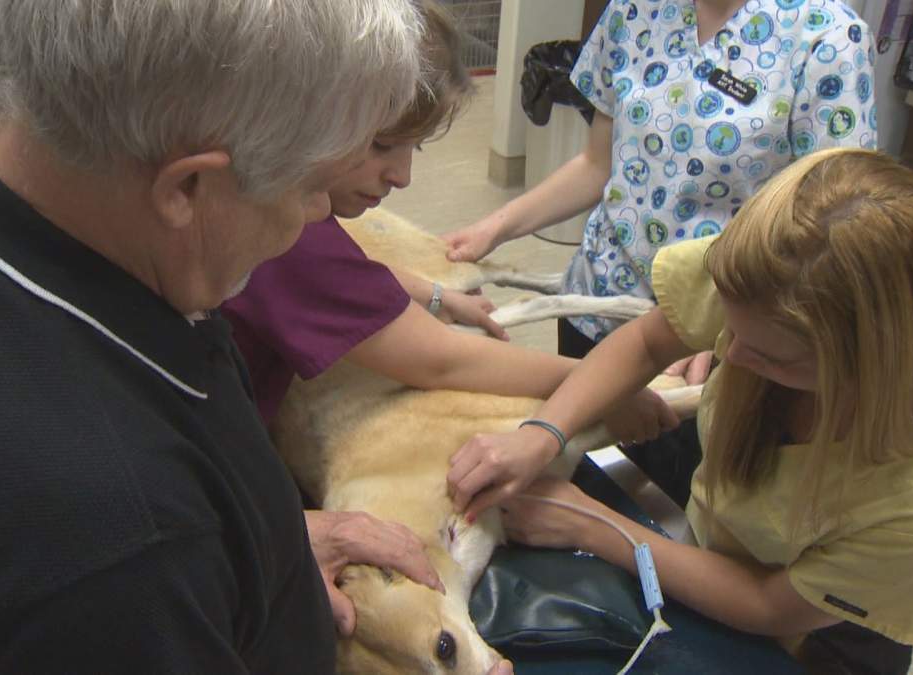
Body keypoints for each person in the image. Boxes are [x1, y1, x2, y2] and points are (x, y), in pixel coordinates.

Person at [0, 1, 423, 672]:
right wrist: (189, 559)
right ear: (187, 187)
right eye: (310, 185)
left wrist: (254, 540)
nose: (314, 214)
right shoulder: (119, 554)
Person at [447, 148, 913, 674]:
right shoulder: (771, 276)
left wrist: (595, 527)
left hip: (810, 644)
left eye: (769, 355)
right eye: (730, 329)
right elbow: (647, 343)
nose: (728, 356)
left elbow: (768, 607)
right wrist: (543, 432)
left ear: (865, 362)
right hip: (714, 555)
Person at [220, 0, 676, 644]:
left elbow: (342, 268)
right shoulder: (282, 231)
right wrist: (602, 384)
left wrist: (432, 292)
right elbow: (440, 359)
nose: (402, 176)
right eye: (381, 145)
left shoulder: (288, 207)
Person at [443, 0, 879, 508]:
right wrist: (494, 228)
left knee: (696, 504)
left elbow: (829, 229)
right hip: (598, 299)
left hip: (717, 340)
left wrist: (719, 318)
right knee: (582, 475)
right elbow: (595, 164)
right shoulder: (635, 9)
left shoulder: (826, 41)